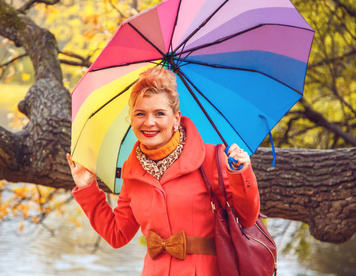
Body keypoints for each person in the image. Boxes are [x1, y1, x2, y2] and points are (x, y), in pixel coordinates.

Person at [66, 67, 260, 276]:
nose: (149, 122)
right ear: (131, 118)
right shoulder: (132, 174)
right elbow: (117, 234)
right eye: (140, 113)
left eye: (159, 113)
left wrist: (241, 172)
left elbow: (247, 218)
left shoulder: (212, 157)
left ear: (176, 118)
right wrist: (87, 188)